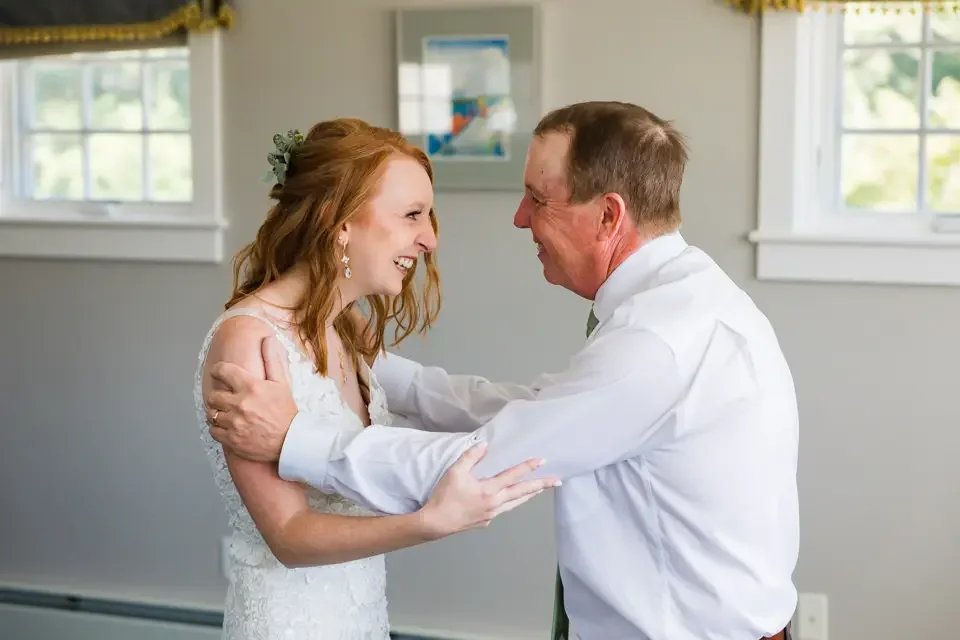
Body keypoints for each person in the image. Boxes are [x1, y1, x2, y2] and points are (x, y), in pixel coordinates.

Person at [204, 102, 799, 640]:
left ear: (608, 216)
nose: (519, 218)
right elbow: (544, 410)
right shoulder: (684, 301)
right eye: (411, 214)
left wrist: (295, 439)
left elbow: (487, 459)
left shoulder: (658, 343)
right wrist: (378, 371)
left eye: (538, 199)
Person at [194, 119, 558, 640]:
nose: (429, 239)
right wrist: (430, 521)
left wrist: (551, 409)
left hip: (360, 616)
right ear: (340, 221)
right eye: (412, 215)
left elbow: (432, 393)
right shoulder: (248, 342)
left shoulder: (347, 326)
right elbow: (289, 535)